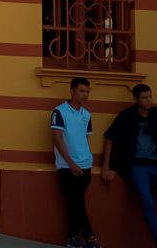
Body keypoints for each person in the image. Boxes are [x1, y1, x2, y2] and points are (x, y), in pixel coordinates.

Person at [103, 82, 157, 242]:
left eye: (150, 97)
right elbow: (109, 137)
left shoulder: (156, 115)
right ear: (136, 99)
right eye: (144, 98)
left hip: (155, 164)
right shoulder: (126, 116)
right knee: (147, 199)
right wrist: (106, 167)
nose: (149, 101)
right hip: (138, 166)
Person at [54, 77, 99, 248]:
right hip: (68, 167)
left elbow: (85, 139)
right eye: (82, 91)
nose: (85, 94)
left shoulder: (86, 115)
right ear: (72, 91)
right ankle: (89, 237)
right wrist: (72, 164)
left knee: (75, 202)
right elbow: (57, 139)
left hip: (85, 165)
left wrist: (88, 160)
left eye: (87, 91)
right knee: (78, 202)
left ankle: (72, 239)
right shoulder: (59, 112)